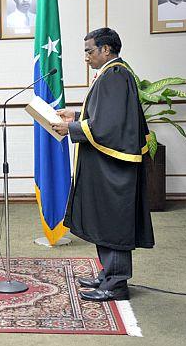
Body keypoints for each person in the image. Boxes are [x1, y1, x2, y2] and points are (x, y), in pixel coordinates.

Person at [51, 28, 155, 302]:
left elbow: (108, 126)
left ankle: (116, 283)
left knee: (114, 223)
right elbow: (104, 115)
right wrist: (76, 115)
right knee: (105, 219)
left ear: (106, 50)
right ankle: (107, 274)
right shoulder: (111, 75)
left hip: (114, 170)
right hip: (106, 167)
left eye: (90, 50)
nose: (86, 57)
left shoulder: (116, 75)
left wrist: (70, 127)